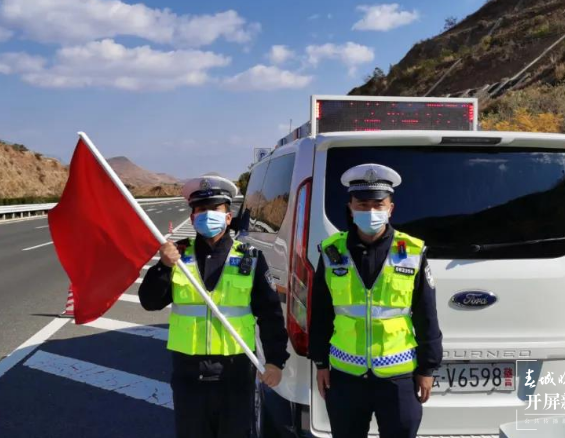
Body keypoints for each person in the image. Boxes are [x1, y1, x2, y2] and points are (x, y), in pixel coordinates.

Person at [139, 175, 290, 438]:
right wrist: (162, 267)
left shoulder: (251, 258)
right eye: (200, 209)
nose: (207, 214)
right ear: (192, 217)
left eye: (214, 209)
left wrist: (275, 361)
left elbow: (270, 314)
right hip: (189, 375)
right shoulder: (177, 257)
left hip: (235, 373)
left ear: (228, 217)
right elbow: (149, 302)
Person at [308, 163, 443, 438]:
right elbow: (321, 312)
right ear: (351, 207)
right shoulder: (332, 252)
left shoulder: (412, 252)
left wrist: (428, 368)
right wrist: (321, 363)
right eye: (363, 204)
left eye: (378, 204)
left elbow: (426, 314)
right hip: (346, 376)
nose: (371, 211)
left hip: (398, 377)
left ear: (390, 208)